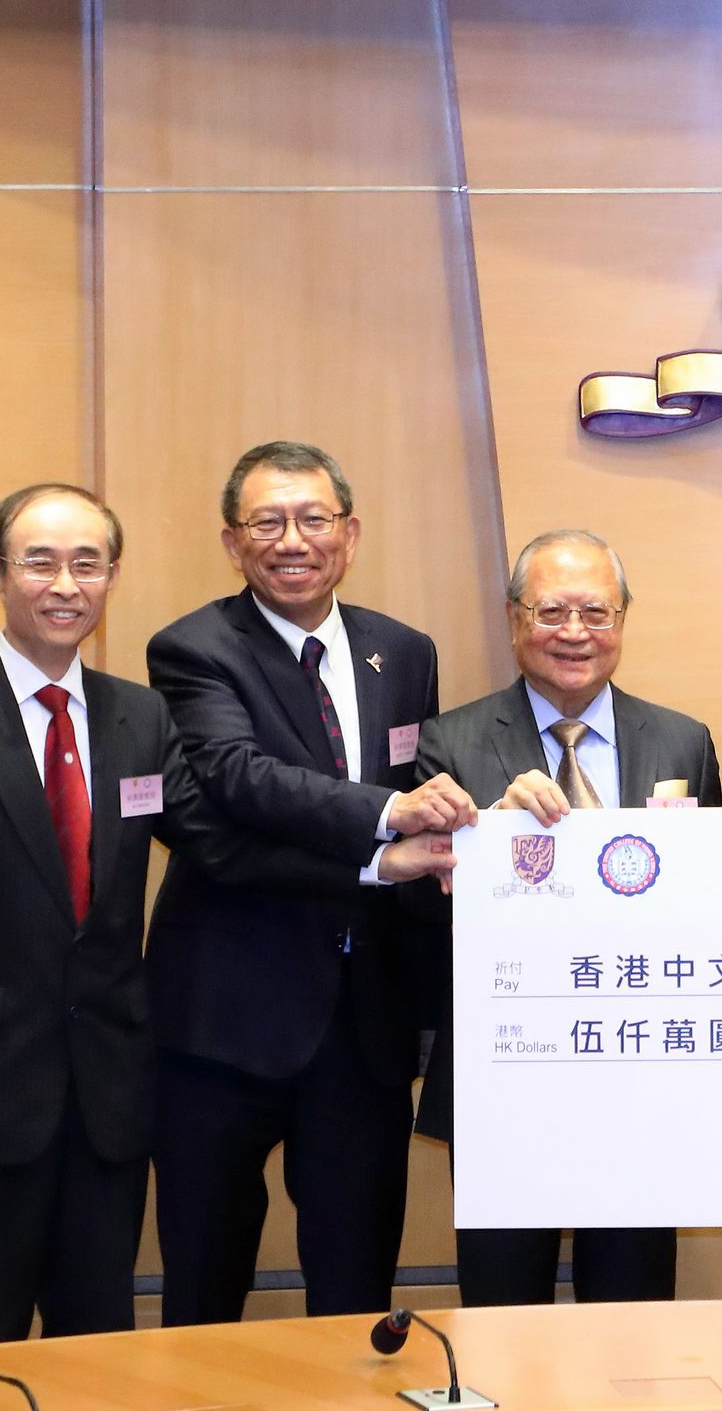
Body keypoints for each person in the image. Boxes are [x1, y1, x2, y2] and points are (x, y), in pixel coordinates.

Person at [0, 483, 451, 1345]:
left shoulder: (136, 718)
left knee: (99, 1331)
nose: (66, 585)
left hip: (111, 1081)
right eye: (40, 563)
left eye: (87, 564)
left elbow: (220, 846)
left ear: (111, 579)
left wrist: (376, 865)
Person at [143, 440, 480, 1324]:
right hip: (225, 1022)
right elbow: (238, 776)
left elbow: (425, 782)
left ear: (350, 532)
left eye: (313, 519)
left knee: (357, 1289)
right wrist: (386, 824)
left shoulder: (403, 652)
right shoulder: (192, 648)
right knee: (206, 1288)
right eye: (267, 522)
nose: (292, 540)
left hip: (363, 1023)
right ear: (232, 541)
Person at [415, 527, 722, 1307]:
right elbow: (422, 904)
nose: (576, 633)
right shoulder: (449, 741)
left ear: (624, 619)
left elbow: (710, 904)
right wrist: (493, 829)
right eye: (552, 610)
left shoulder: (684, 740)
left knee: (632, 1315)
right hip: (505, 1074)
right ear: (515, 618)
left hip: (643, 1075)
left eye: (598, 611)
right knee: (502, 1315)